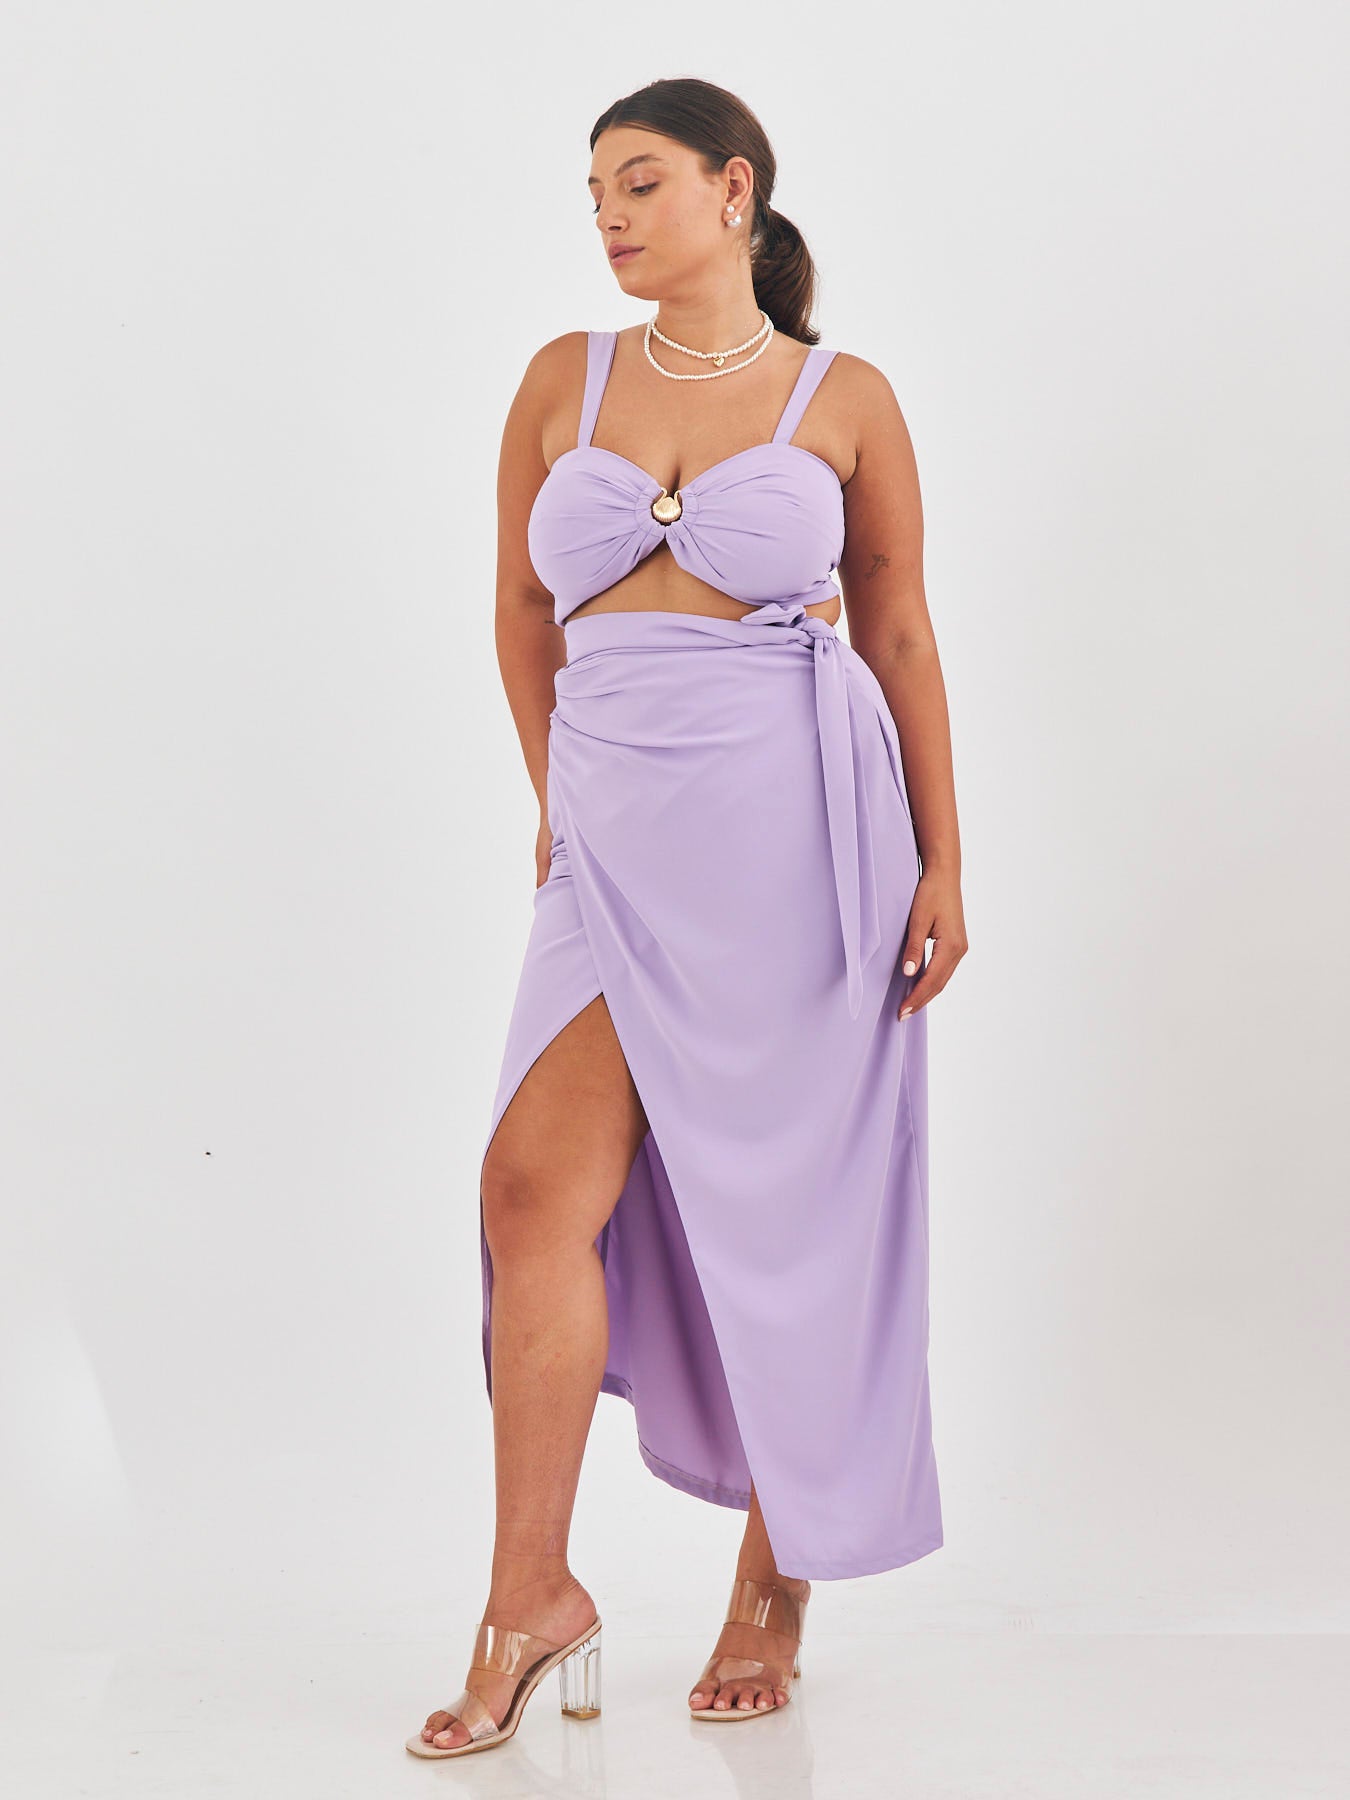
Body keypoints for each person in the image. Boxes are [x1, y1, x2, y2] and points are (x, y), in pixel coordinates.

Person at [409, 76, 968, 1760]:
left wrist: (943, 864)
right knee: (529, 1191)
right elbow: (520, 610)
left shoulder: (842, 396)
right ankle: (529, 1595)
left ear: (735, 192)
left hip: (801, 836)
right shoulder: (558, 379)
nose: (607, 213)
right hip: (611, 839)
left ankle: (772, 1582)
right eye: (593, 189)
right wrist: (553, 799)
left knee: (790, 1213)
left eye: (639, 181)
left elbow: (899, 630)